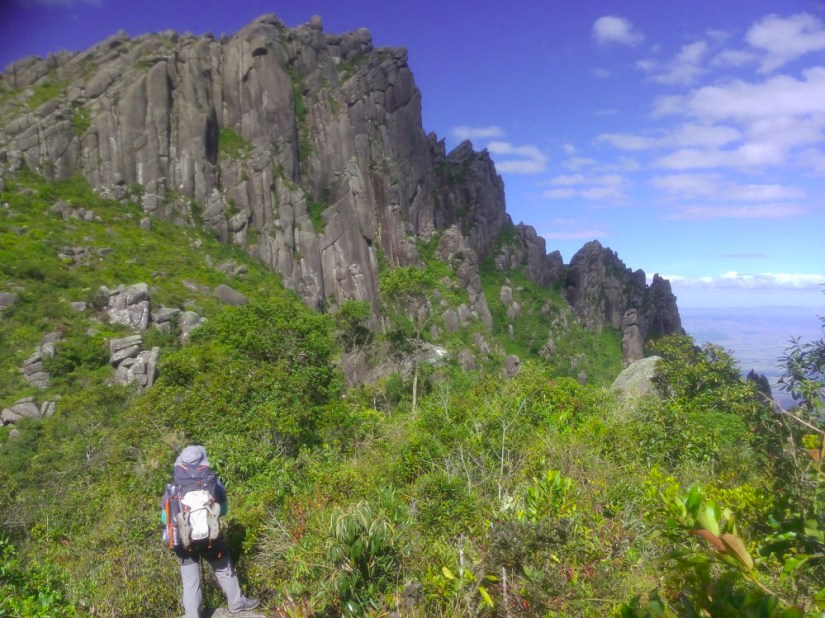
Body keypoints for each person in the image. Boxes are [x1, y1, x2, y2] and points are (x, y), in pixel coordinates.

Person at [161, 445, 260, 616]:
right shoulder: (213, 482)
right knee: (222, 567)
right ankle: (236, 603)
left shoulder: (173, 487)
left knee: (190, 580)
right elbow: (222, 510)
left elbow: (165, 518)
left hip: (183, 542)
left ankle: (192, 614)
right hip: (209, 539)